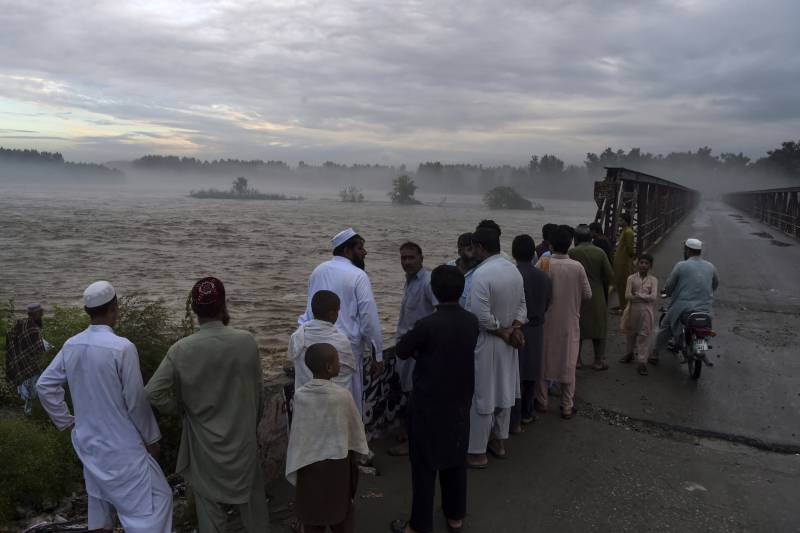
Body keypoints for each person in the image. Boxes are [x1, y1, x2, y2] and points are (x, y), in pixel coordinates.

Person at [37, 281, 172, 533]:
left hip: (88, 443)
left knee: (100, 509)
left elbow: (44, 385)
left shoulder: (71, 344)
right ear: (114, 308)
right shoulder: (122, 348)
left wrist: (67, 422)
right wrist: (152, 438)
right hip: (123, 447)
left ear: (89, 311)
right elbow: (135, 402)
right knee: (155, 503)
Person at [146, 277, 268, 533]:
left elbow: (153, 392)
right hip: (243, 443)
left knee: (210, 518)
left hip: (204, 449)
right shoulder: (246, 342)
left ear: (194, 310)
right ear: (224, 304)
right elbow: (258, 394)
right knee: (254, 513)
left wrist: (179, 409)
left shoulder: (181, 350)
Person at [390, 265, 479, 533]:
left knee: (424, 467)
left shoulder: (427, 325)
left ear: (435, 292)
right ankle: (455, 516)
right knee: (455, 460)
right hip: (460, 400)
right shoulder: (471, 321)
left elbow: (403, 351)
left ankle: (419, 525)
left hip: (428, 404)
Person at [299, 228, 384, 417]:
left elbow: (309, 311)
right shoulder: (358, 275)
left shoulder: (318, 270)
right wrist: (377, 354)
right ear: (347, 251)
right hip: (346, 353)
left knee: (317, 408)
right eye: (360, 248)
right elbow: (369, 319)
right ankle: (348, 445)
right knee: (348, 407)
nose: (364, 253)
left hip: (315, 348)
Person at [286, 343, 369, 533]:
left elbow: (300, 435)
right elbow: (355, 432)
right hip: (337, 467)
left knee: (312, 517)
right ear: (330, 368)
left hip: (308, 465)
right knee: (341, 515)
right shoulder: (342, 396)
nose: (340, 363)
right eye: (337, 360)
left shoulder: (300, 396)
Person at [466, 227, 526, 467]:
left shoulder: (482, 274)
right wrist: (515, 327)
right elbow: (523, 305)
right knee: (505, 391)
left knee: (483, 395)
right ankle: (499, 442)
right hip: (510, 341)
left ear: (480, 247)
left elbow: (479, 315)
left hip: (490, 340)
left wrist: (501, 329)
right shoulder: (513, 269)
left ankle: (478, 452)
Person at [536, 228, 592, 419]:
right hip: (570, 320)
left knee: (544, 362)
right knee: (568, 363)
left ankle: (542, 402)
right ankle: (567, 405)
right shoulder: (577, 267)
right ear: (570, 244)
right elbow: (587, 294)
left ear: (550, 245)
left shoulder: (544, 263)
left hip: (547, 320)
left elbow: (536, 290)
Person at [391, 242, 437, 456]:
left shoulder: (427, 282)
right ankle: (411, 436)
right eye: (403, 258)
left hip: (418, 351)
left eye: (411, 258)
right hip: (406, 349)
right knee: (408, 394)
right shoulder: (410, 282)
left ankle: (413, 442)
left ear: (421, 258)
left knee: (415, 398)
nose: (406, 262)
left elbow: (440, 313)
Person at [509, 235, 552, 433]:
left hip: (516, 329)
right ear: (533, 253)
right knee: (531, 373)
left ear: (514, 253)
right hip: (536, 328)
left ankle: (513, 419)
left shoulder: (511, 275)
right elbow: (547, 304)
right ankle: (527, 413)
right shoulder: (543, 276)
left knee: (514, 374)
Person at [653, 238, 719, 362]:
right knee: (703, 328)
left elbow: (670, 285)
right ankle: (701, 350)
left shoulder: (681, 265)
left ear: (687, 251)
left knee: (665, 326)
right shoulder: (710, 266)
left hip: (683, 307)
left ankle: (655, 353)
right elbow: (715, 284)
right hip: (705, 308)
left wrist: (666, 292)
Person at [289, 290, 357, 396]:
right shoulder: (341, 341)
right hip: (335, 402)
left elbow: (292, 359)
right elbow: (348, 372)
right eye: (337, 312)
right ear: (332, 314)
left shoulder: (297, 335)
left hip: (304, 400)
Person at [569, 224, 614, 371]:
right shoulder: (600, 252)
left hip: (577, 294)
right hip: (597, 294)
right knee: (599, 328)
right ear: (590, 237)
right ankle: (598, 361)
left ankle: (577, 360)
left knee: (578, 328)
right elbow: (609, 275)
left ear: (576, 239)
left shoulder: (572, 252)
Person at [5, 303, 49, 415]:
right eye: (41, 313)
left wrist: (17, 353)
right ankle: (33, 413)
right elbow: (37, 348)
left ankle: (29, 411)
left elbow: (10, 336)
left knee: (28, 388)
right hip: (31, 364)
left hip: (22, 362)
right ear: (36, 314)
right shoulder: (33, 328)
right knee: (34, 388)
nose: (42, 315)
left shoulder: (21, 323)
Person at [619, 254, 658, 375]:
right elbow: (627, 296)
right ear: (637, 264)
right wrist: (643, 297)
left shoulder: (653, 280)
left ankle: (642, 362)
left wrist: (638, 295)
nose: (643, 265)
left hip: (646, 312)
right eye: (641, 262)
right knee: (631, 333)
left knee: (644, 336)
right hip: (632, 310)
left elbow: (653, 297)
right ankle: (629, 354)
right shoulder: (631, 278)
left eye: (646, 263)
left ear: (650, 266)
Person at [446, 232, 479, 308]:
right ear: (460, 251)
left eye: (476, 249)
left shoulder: (480, 273)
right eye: (470, 249)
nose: (474, 253)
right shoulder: (448, 267)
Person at [612, 213, 636, 313]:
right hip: (621, 261)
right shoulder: (625, 231)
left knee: (623, 285)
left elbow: (630, 249)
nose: (619, 222)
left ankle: (624, 307)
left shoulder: (628, 232)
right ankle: (622, 305)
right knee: (620, 285)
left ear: (626, 221)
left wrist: (630, 260)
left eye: (621, 220)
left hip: (623, 262)